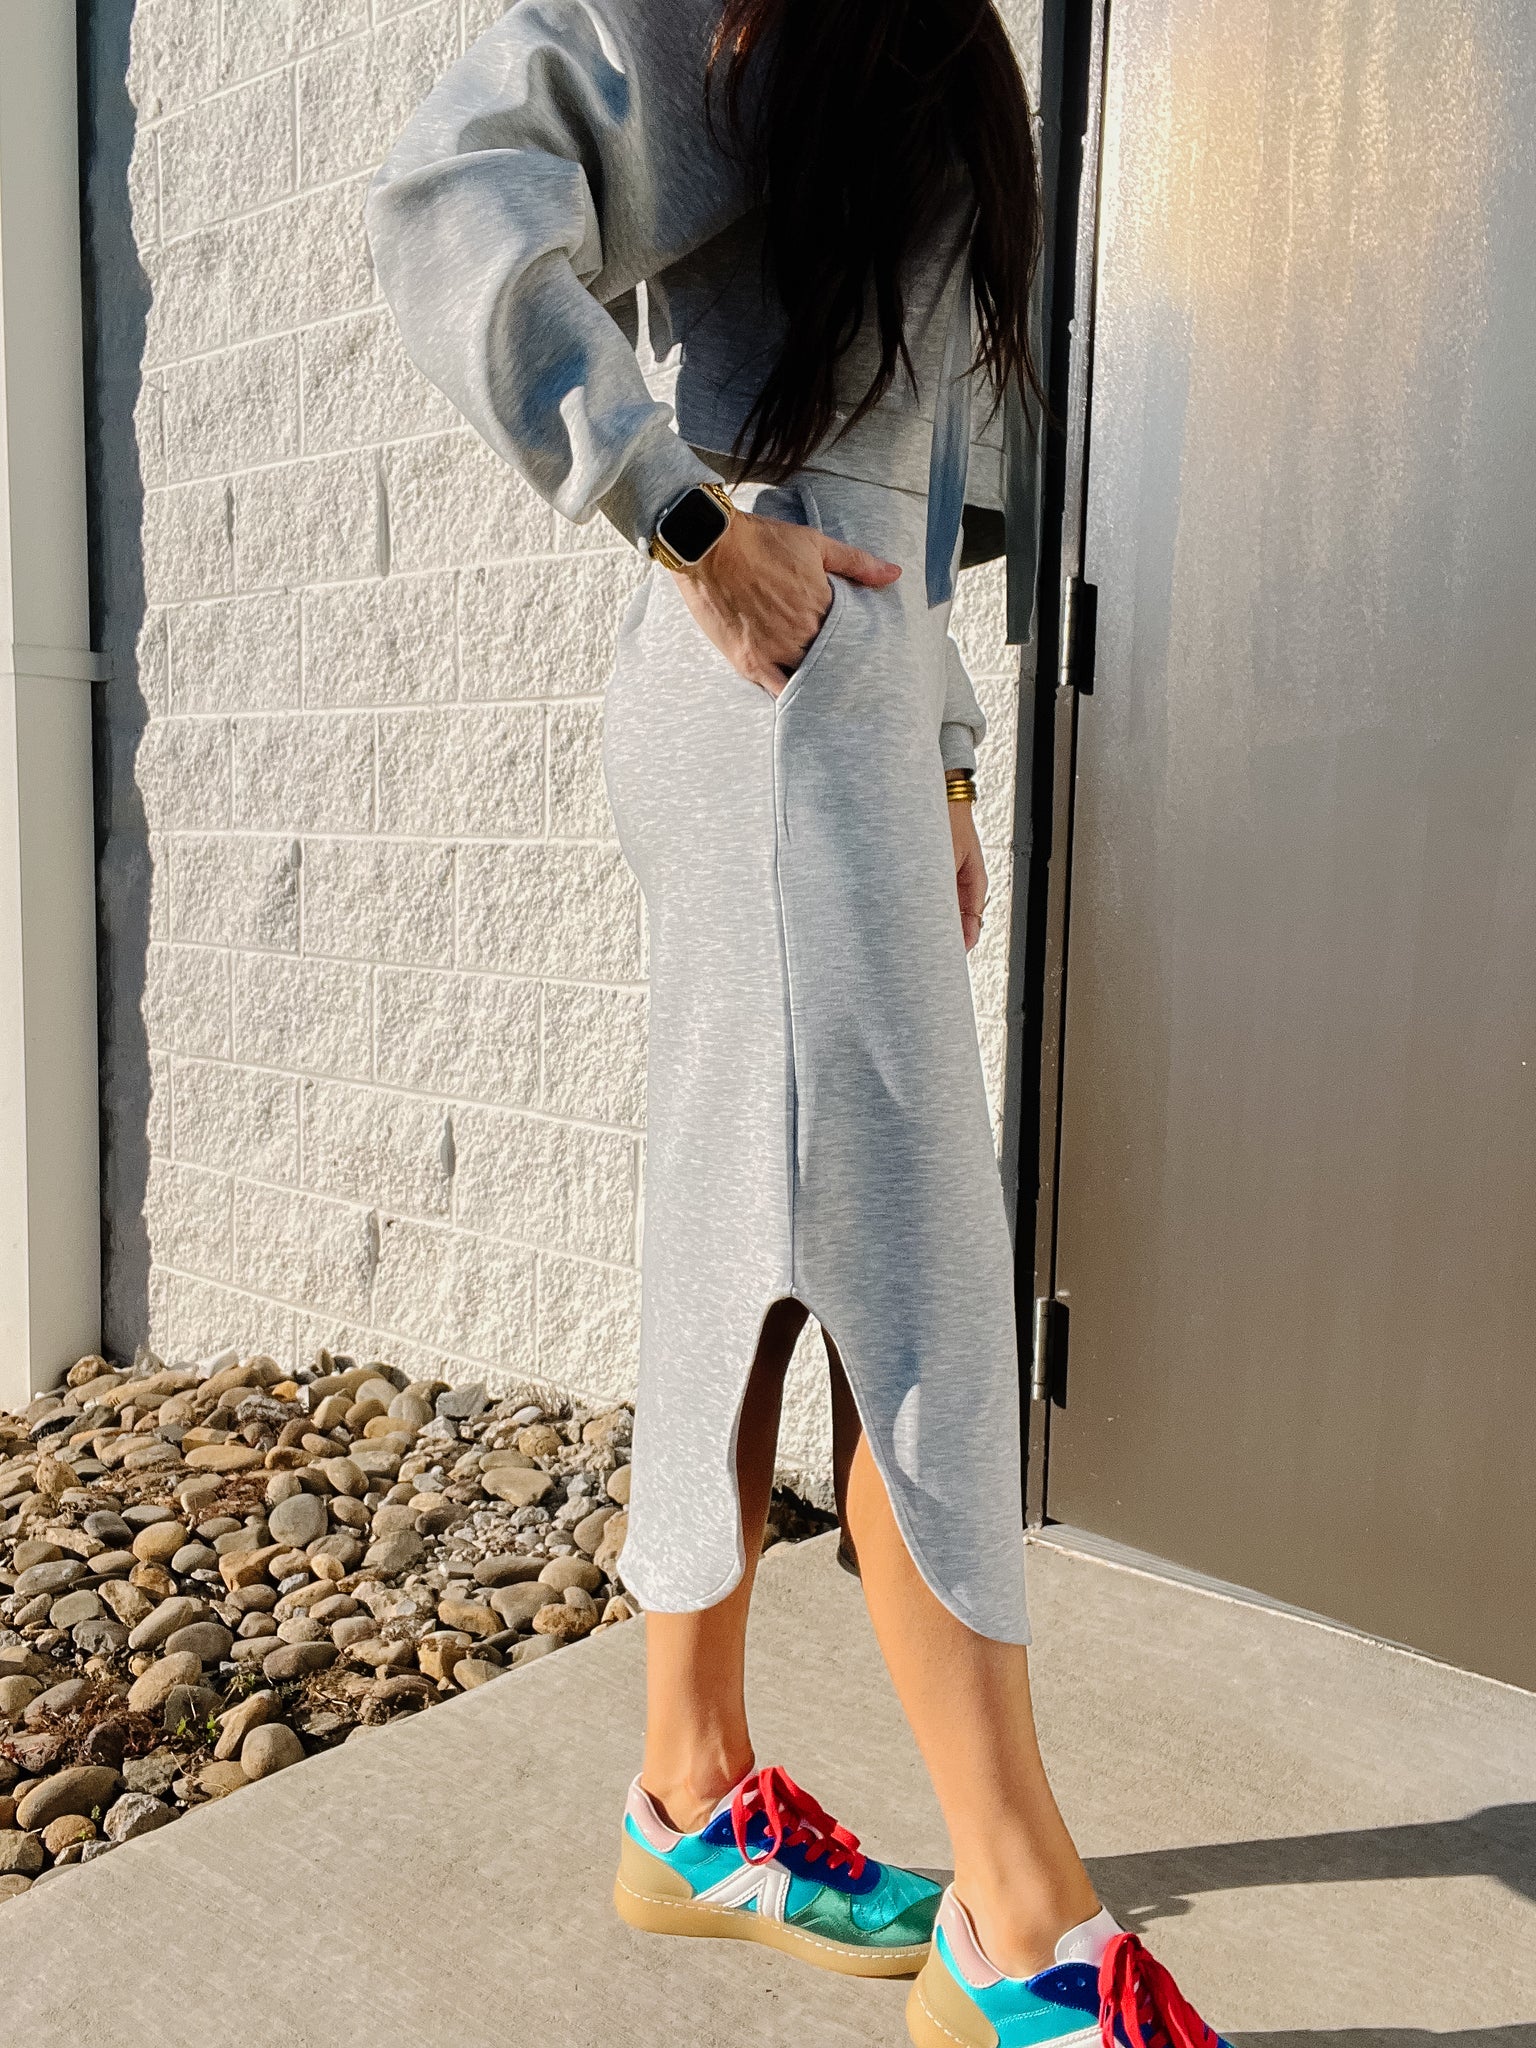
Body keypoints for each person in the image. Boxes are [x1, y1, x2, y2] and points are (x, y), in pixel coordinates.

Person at [368, 4, 1229, 2042]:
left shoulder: (926, 43)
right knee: (906, 1271)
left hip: (843, 706)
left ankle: (687, 1795)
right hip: (767, 697)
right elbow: (450, 197)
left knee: (755, 1240)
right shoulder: (731, 15)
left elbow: (909, 471)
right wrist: (678, 515)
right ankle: (1019, 1914)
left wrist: (941, 753)